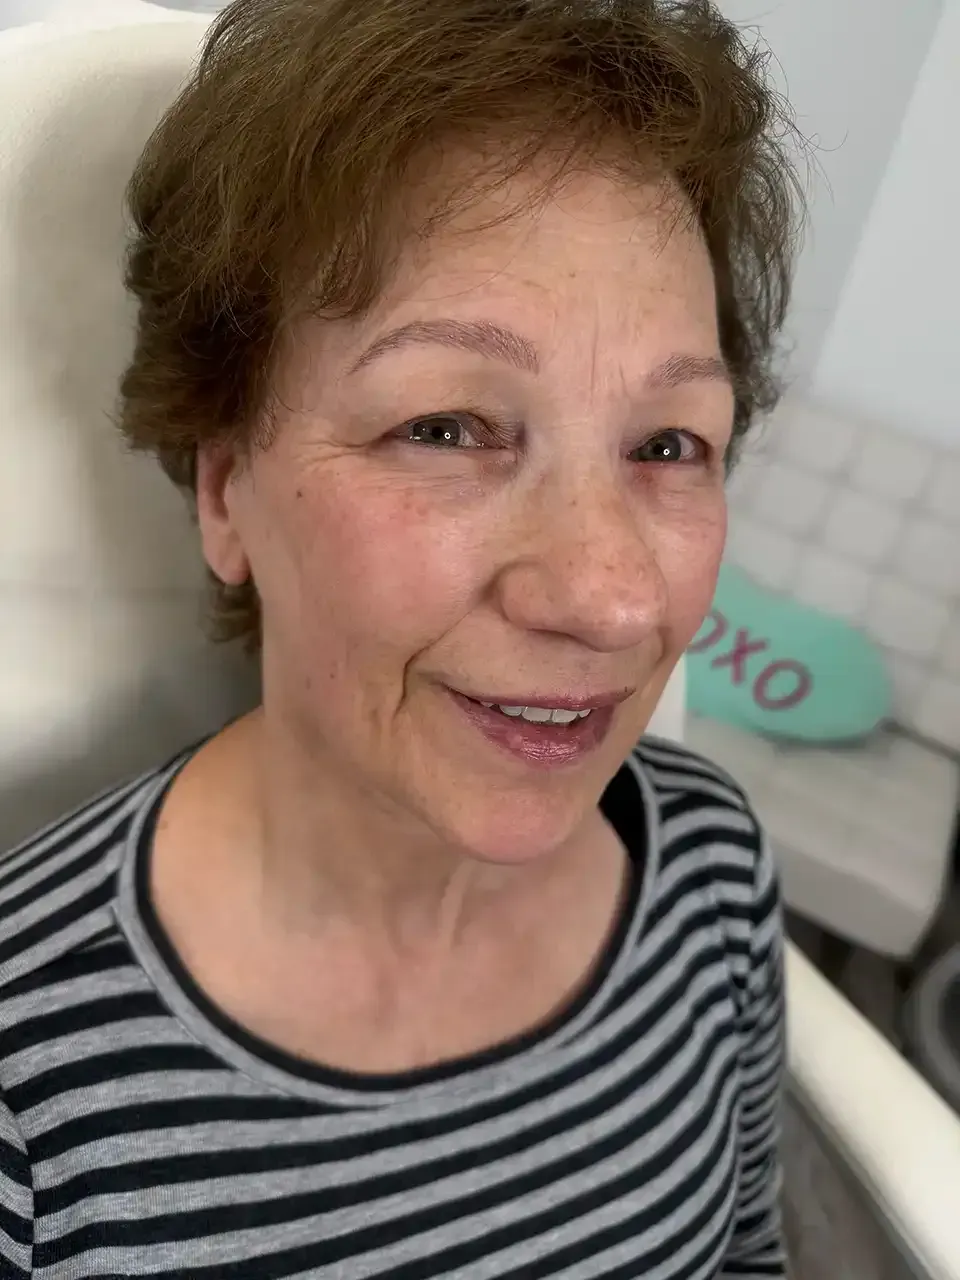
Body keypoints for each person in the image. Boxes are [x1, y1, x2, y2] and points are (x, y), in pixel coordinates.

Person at [0, 0, 800, 1274]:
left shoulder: (710, 869)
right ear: (225, 491)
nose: (612, 598)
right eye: (445, 428)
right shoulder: (31, 1095)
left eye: (667, 443)